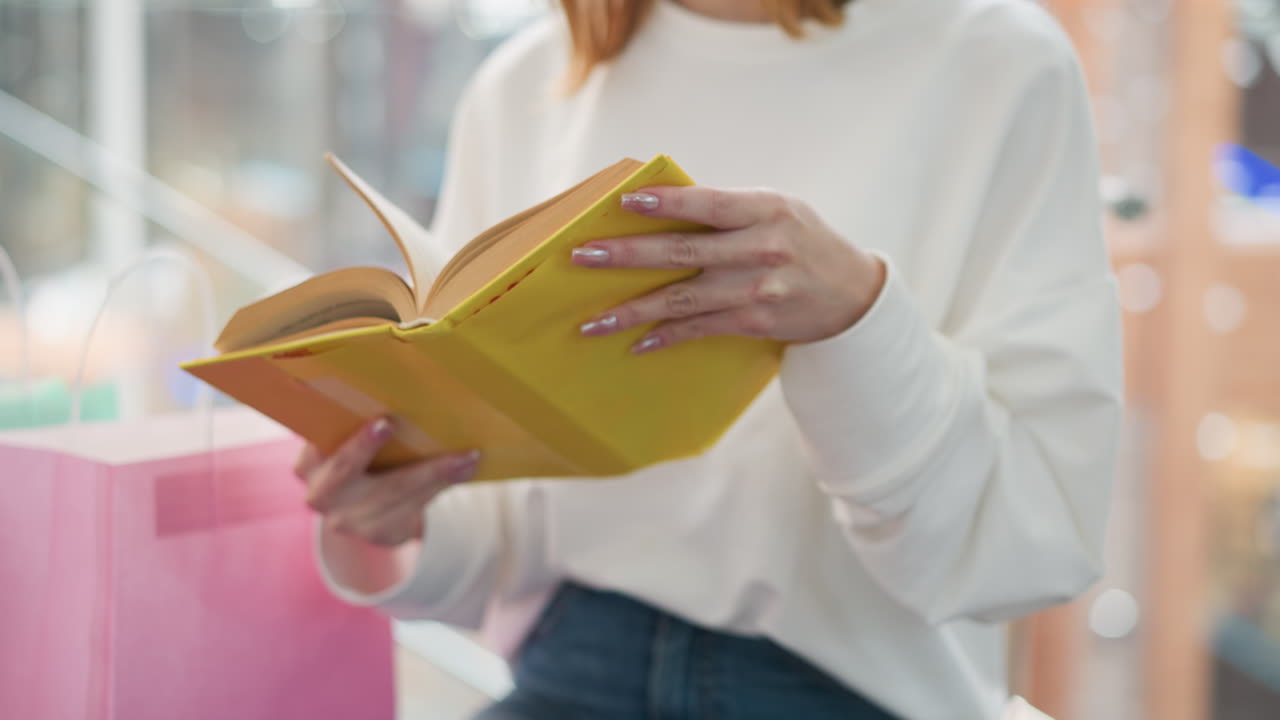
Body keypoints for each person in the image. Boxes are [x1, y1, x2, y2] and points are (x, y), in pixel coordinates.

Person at [296, 0, 1123, 718]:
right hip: (569, 666)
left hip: (847, 691)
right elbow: (498, 537)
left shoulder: (999, 62)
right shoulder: (530, 80)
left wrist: (857, 320)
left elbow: (1030, 545)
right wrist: (399, 514)